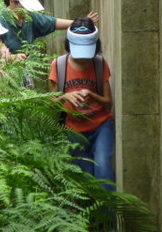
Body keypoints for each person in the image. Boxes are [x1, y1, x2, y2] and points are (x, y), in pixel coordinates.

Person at [48, 17, 116, 191]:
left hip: (101, 125)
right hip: (74, 130)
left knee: (103, 169)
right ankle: (91, 216)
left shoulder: (99, 64)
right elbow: (49, 104)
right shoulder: (59, 65)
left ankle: (109, 216)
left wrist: (92, 95)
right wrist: (66, 97)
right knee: (84, 178)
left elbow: (109, 104)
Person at [0, 0, 99, 56]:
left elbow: (53, 23)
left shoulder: (30, 18)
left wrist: (81, 22)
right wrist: (13, 58)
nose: (27, 12)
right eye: (25, 8)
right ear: (12, 2)